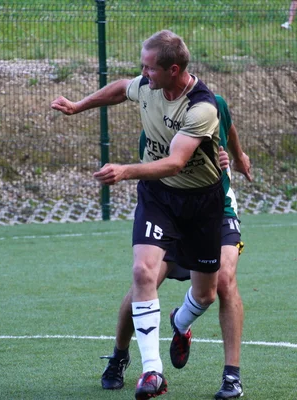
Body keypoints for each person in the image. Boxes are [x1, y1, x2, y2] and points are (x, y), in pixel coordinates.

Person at [51, 30, 225, 399]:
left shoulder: (202, 107)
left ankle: (181, 322)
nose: (142, 74)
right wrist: (79, 105)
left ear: (173, 69)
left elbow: (176, 163)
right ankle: (152, 372)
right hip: (158, 197)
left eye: (148, 68)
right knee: (142, 272)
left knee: (208, 294)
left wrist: (126, 170)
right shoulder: (147, 86)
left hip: (200, 204)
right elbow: (120, 88)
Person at [100, 95, 252, 400]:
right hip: (171, 212)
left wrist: (236, 156)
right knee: (145, 278)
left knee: (220, 282)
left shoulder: (209, 105)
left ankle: (224, 369)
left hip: (215, 209)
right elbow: (171, 165)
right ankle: (120, 355)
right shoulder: (154, 120)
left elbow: (229, 128)